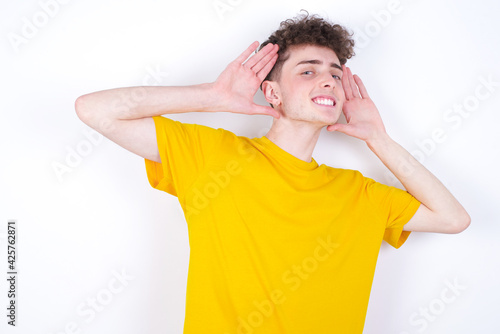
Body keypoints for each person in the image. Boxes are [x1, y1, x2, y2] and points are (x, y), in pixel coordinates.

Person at [75, 11, 470, 334]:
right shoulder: (212, 155)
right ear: (273, 93)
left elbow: (453, 218)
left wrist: (378, 138)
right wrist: (211, 96)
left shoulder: (359, 192)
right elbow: (94, 109)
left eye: (335, 73)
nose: (329, 80)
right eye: (308, 71)